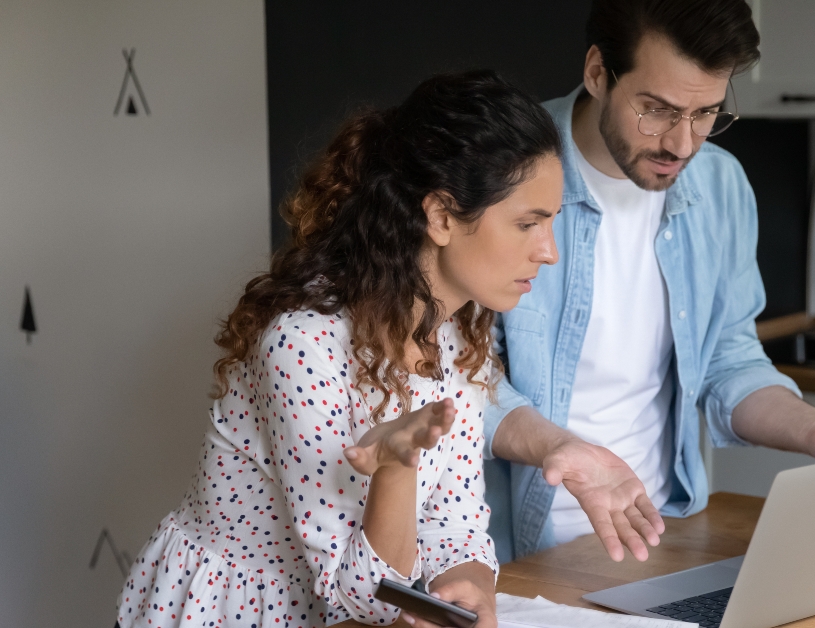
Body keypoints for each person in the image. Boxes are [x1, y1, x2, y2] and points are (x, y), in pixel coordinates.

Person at [483, 0, 815, 564]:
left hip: (660, 540)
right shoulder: (497, 172)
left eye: (706, 113)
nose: (682, 145)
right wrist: (562, 449)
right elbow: (455, 377)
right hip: (513, 553)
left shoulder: (719, 185)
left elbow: (728, 360)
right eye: (656, 110)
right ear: (596, 73)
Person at [115, 70, 562, 628]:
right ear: (443, 216)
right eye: (528, 224)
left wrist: (469, 576)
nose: (549, 252)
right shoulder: (303, 343)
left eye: (552, 224)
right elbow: (366, 598)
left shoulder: (457, 331)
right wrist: (396, 469)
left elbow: (455, 520)